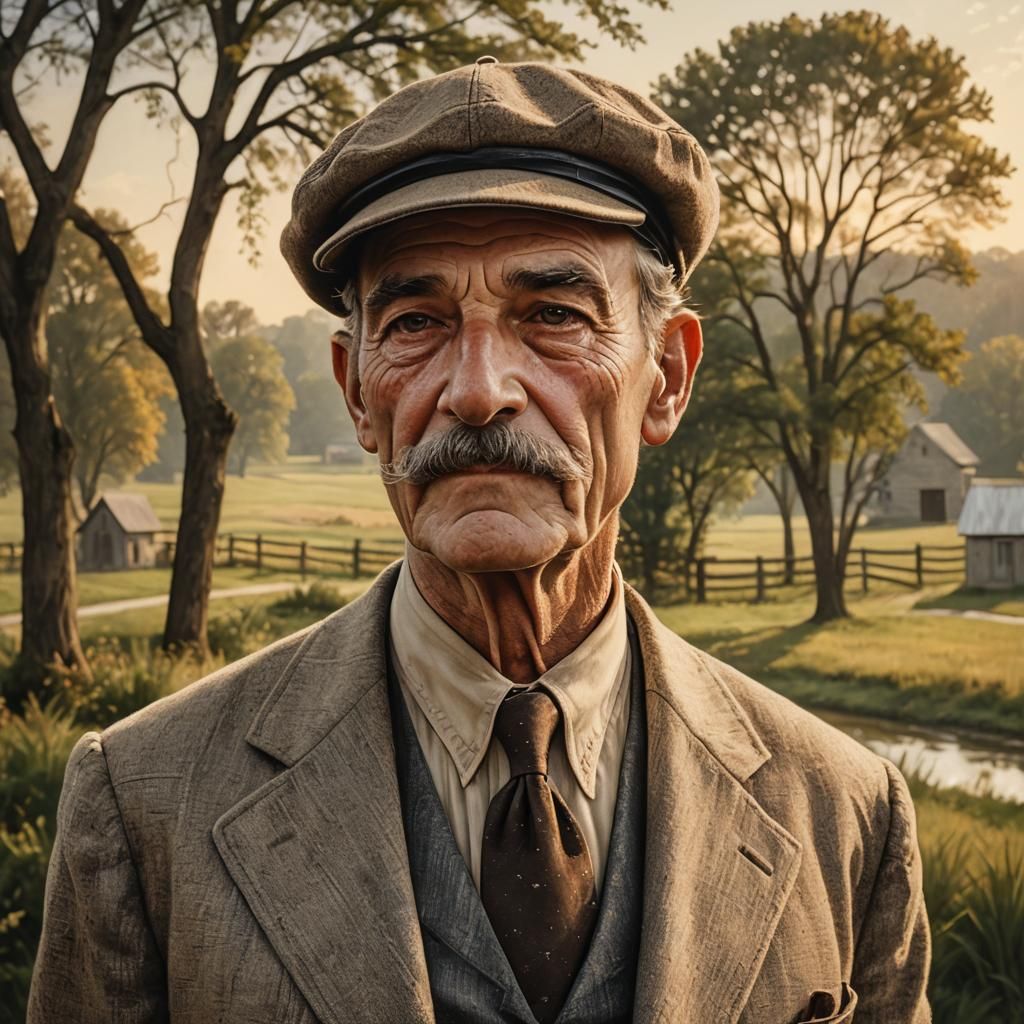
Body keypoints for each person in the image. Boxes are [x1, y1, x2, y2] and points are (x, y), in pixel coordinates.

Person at [29, 60, 930, 1024]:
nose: (477, 390)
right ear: (356, 389)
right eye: (417, 322)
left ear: (665, 376)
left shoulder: (846, 813)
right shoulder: (143, 803)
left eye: (552, 315)